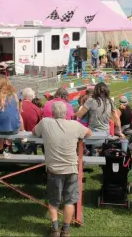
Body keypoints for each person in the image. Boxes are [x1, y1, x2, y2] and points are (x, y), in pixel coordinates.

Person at [33, 101, 92, 237]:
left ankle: (55, 229)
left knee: (54, 201)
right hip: (71, 169)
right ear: (66, 113)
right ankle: (65, 231)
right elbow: (89, 133)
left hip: (54, 170)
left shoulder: (45, 122)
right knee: (69, 201)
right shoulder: (74, 125)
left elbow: (34, 132)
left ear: (52, 113)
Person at [0, 75, 22, 159]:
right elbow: (18, 111)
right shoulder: (16, 94)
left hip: (0, 130)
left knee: (0, 129)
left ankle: (0, 151)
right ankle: (11, 148)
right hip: (15, 129)